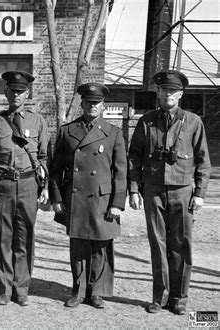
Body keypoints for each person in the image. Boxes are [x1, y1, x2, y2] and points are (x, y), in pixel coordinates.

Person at [128, 70, 211, 315]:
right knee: (158, 244)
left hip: (183, 191)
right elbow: (134, 158)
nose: (168, 94)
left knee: (181, 245)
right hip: (153, 190)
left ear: (181, 94)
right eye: (164, 90)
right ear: (158, 93)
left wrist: (200, 194)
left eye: (173, 91)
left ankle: (179, 299)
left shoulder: (193, 121)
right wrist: (134, 189)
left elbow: (203, 160)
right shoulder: (147, 121)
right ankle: (159, 297)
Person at [49, 82, 127, 309]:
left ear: (103, 106)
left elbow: (120, 171)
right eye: (89, 102)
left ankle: (96, 292)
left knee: (101, 246)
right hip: (76, 197)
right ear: (82, 104)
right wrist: (56, 198)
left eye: (97, 103)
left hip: (103, 200)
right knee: (79, 246)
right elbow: (56, 169)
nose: (92, 106)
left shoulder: (113, 133)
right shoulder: (67, 131)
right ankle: (79, 290)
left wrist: (117, 203)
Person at [0, 71, 49, 306]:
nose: (16, 95)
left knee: (25, 237)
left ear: (27, 94)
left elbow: (44, 156)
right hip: (3, 185)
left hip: (29, 184)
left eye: (20, 91)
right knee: (3, 237)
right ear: (6, 92)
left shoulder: (37, 120)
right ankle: (4, 288)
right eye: (12, 91)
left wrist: (45, 187)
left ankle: (21, 288)